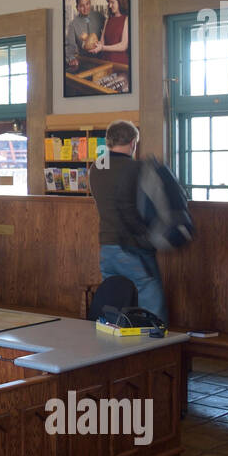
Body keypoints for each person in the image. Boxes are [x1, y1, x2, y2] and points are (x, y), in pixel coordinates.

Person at [89, 120, 166, 323]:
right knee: (150, 297)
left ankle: (112, 341)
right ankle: (154, 341)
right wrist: (148, 238)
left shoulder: (96, 167)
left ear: (108, 141)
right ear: (133, 143)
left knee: (115, 300)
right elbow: (139, 208)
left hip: (107, 246)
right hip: (132, 246)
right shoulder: (137, 168)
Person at [64, 0, 106, 71]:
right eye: (82, 6)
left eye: (87, 4)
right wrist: (72, 58)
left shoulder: (99, 16)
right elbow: (70, 46)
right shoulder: (73, 25)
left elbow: (108, 33)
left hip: (102, 60)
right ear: (77, 7)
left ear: (90, 3)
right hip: (85, 62)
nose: (85, 8)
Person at [96, 0, 130, 65]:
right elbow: (102, 42)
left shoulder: (126, 19)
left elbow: (123, 45)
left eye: (112, 2)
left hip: (120, 63)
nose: (110, 5)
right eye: (109, 2)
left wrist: (103, 48)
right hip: (105, 61)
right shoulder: (107, 20)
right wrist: (95, 45)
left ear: (120, 1)